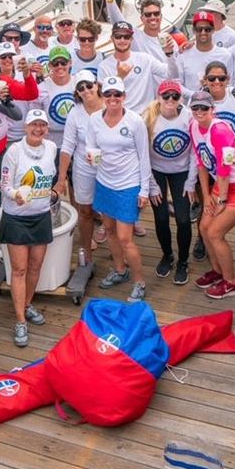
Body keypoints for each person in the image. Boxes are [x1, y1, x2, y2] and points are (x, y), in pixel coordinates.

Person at [190, 89, 235, 300]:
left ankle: (231, 282)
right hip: (221, 184)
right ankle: (217, 271)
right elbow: (201, 162)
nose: (199, 111)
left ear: (213, 109)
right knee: (203, 226)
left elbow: (225, 167)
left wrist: (221, 200)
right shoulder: (193, 126)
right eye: (195, 107)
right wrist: (206, 195)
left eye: (204, 108)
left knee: (214, 233)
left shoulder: (219, 130)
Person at [87, 76, 151, 302]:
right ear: (103, 97)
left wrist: (144, 190)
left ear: (124, 97)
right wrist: (91, 156)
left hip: (128, 184)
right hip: (105, 182)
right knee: (110, 229)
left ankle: (139, 281)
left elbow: (144, 157)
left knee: (126, 238)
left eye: (117, 95)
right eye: (108, 94)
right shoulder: (94, 119)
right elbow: (91, 146)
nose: (113, 99)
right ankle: (120, 269)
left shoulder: (134, 121)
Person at [0, 109, 57, 346]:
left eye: (42, 125)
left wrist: (54, 190)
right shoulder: (14, 151)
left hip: (42, 215)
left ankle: (26, 303)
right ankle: (21, 320)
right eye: (33, 125)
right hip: (16, 217)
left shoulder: (51, 148)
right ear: (25, 127)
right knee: (20, 270)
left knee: (36, 266)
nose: (38, 129)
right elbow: (3, 185)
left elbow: (51, 178)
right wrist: (16, 195)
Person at [143, 79, 197, 285]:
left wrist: (191, 182)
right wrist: (152, 185)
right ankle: (167, 255)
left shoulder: (188, 117)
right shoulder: (148, 117)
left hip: (181, 171)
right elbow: (143, 153)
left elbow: (194, 151)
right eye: (166, 96)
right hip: (156, 170)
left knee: (183, 219)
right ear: (159, 97)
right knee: (161, 217)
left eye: (175, 96)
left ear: (180, 98)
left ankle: (183, 261)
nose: (170, 100)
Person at [57, 70, 104, 266]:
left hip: (109, 169)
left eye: (88, 85)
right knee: (84, 211)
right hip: (84, 167)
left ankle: (120, 253)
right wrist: (61, 179)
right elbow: (67, 146)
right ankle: (86, 251)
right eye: (80, 88)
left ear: (97, 85)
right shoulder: (75, 113)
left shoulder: (110, 104)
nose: (86, 90)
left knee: (111, 214)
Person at [102, 0, 180, 66]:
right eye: (148, 14)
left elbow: (177, 68)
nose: (152, 17)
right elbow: (117, 20)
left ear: (161, 16)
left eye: (156, 13)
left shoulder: (170, 42)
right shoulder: (135, 36)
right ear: (142, 18)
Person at [107, 20, 175, 113]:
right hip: (123, 117)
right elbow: (106, 98)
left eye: (126, 37)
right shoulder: (104, 66)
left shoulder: (145, 59)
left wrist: (170, 54)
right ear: (112, 38)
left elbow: (171, 74)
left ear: (131, 39)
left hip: (148, 115)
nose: (122, 40)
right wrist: (119, 78)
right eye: (118, 37)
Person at [177, 11, 233, 94]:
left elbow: (230, 83)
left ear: (213, 30)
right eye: (199, 29)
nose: (203, 32)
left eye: (207, 29)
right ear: (193, 31)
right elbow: (178, 83)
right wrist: (195, 96)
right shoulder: (183, 54)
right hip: (191, 104)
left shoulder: (225, 55)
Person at [202, 61, 235, 146]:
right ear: (205, 80)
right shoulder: (197, 100)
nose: (217, 81)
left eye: (221, 78)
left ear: (228, 79)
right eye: (212, 78)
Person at [37, 45, 76, 154]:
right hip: (50, 144)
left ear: (70, 63)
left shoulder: (78, 83)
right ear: (49, 65)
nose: (60, 66)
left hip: (75, 143)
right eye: (55, 63)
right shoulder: (42, 87)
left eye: (63, 62)